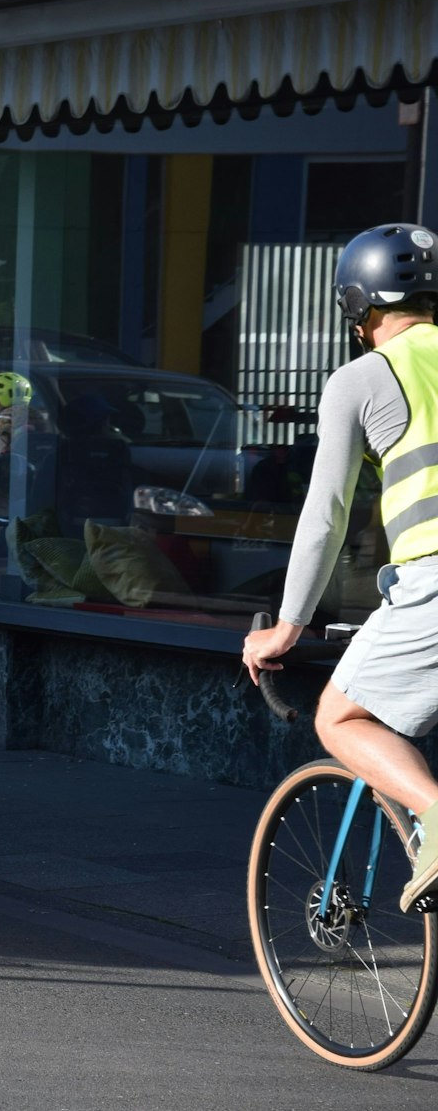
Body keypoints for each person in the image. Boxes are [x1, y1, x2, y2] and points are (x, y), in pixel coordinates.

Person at [243, 222, 438, 916]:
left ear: (359, 306)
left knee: (341, 715)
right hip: (415, 588)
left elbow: (324, 514)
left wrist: (287, 628)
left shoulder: (362, 378)